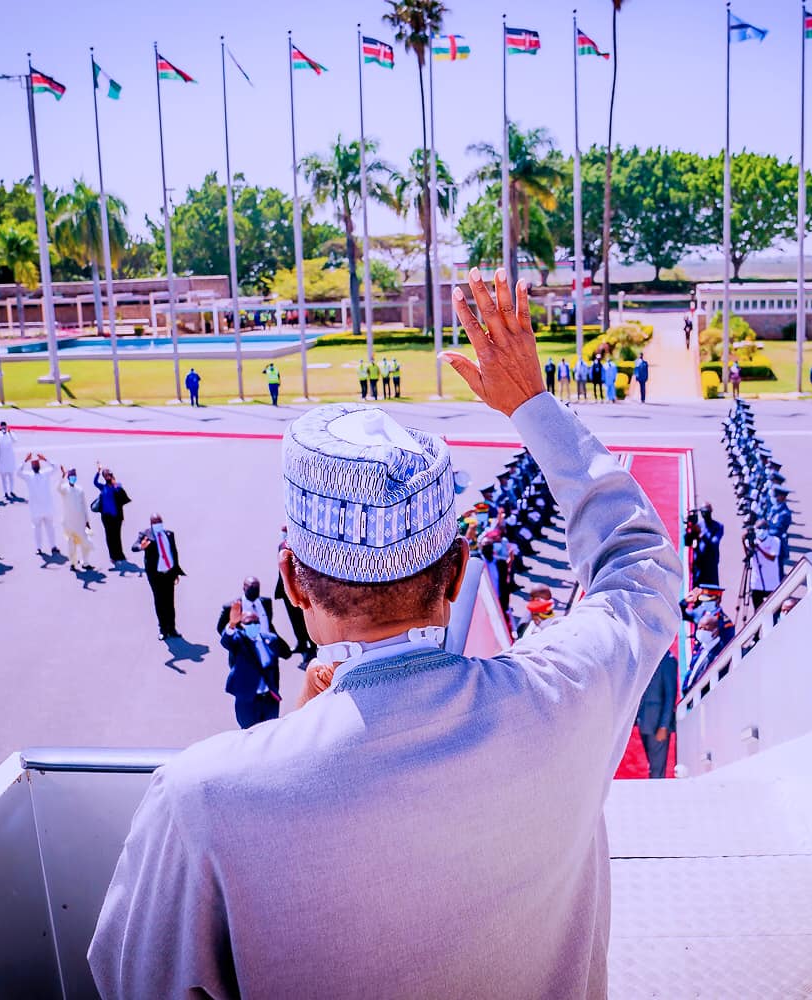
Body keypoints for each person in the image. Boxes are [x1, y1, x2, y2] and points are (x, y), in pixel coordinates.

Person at [89, 266, 682, 999]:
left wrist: (287, 731)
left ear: (293, 581)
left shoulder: (202, 799)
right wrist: (531, 404)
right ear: (459, 568)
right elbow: (642, 569)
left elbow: (134, 984)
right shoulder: (563, 698)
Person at [219, 607, 282, 728]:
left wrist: (275, 690)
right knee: (248, 733)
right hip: (248, 699)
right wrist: (232, 624)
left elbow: (275, 668)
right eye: (249, 622)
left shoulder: (271, 639)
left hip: (269, 699)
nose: (253, 625)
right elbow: (226, 641)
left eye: (256, 622)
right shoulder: (239, 640)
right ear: (242, 625)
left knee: (270, 732)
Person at [134, 514, 184, 639]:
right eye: (155, 522)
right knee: (160, 601)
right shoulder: (146, 535)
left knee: (170, 602)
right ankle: (163, 629)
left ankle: (172, 628)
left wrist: (176, 572)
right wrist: (141, 546)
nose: (158, 524)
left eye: (159, 521)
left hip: (168, 574)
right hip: (156, 575)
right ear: (151, 523)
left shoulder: (169, 534)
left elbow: (174, 552)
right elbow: (134, 547)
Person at [274, 525, 317, 662]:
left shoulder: (301, 546)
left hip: (301, 592)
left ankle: (312, 648)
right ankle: (301, 643)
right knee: (295, 621)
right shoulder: (282, 545)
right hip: (287, 591)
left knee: (305, 620)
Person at [635, 650, 677, 779]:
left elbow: (670, 696)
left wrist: (664, 726)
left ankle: (658, 796)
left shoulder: (667, 660)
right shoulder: (647, 657)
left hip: (658, 724)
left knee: (657, 769)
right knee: (652, 766)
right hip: (644, 721)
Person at [18, 453, 60, 555]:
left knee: (50, 528)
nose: (36, 465)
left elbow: (55, 467)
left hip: (47, 507)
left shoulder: (45, 473)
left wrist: (46, 459)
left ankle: (53, 546)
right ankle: (39, 548)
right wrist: (25, 461)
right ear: (31, 466)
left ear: (40, 465)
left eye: (37, 463)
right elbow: (18, 472)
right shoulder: (28, 476)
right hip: (35, 508)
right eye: (34, 464)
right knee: (37, 530)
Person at [92, 463, 132, 567]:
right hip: (106, 517)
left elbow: (123, 496)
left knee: (117, 536)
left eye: (108, 475)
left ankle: (120, 555)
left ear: (111, 475)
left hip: (116, 517)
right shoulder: (103, 487)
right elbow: (95, 482)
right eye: (105, 475)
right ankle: (113, 556)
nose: (106, 477)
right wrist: (98, 471)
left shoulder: (117, 486)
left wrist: (115, 485)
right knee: (110, 537)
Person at [57, 466, 95, 572]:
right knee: (71, 543)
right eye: (71, 476)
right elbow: (58, 489)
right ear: (68, 477)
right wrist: (62, 477)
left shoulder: (80, 490)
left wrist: (87, 521)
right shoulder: (64, 489)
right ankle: (73, 563)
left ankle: (85, 562)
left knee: (84, 543)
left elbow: (84, 506)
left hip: (81, 522)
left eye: (74, 476)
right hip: (69, 523)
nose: (73, 478)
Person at [684, 502, 724, 588]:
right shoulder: (698, 525)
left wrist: (701, 534)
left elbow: (714, 542)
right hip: (699, 564)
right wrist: (689, 528)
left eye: (706, 512)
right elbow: (687, 543)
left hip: (711, 565)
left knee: (711, 592)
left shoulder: (718, 526)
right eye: (702, 512)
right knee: (697, 593)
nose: (704, 514)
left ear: (710, 512)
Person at [747, 524, 783, 611]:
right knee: (758, 610)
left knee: (774, 611)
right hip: (756, 583)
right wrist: (744, 542)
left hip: (772, 583)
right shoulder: (751, 541)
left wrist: (758, 548)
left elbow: (772, 557)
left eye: (764, 528)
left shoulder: (775, 541)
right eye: (759, 528)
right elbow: (748, 556)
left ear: (768, 529)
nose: (761, 530)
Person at [0, 422, 18, 499]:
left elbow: (15, 440)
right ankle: (5, 492)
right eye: (2, 426)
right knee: (3, 477)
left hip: (10, 458)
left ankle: (11, 490)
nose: (4, 428)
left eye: (5, 426)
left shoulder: (10, 433)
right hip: (2, 459)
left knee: (11, 476)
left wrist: (10, 432)